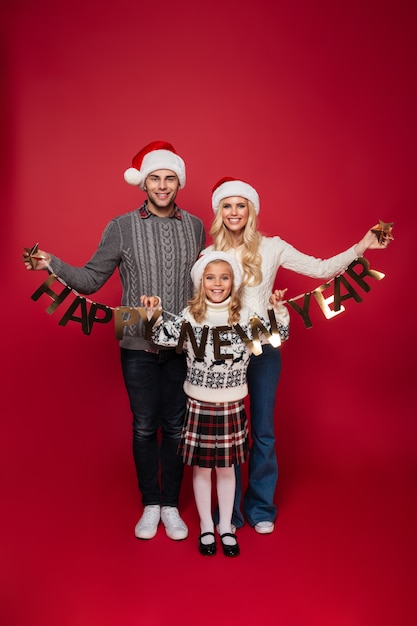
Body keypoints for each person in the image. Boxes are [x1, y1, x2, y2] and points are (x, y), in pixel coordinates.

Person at [23, 141, 206, 541]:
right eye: (154, 178)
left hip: (181, 339)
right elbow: (91, 279)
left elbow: (204, 285)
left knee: (175, 426)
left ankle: (172, 506)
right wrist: (51, 263)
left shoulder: (195, 226)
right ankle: (150, 503)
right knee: (144, 425)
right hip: (135, 336)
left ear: (179, 183)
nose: (162, 186)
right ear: (144, 183)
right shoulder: (121, 226)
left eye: (169, 178)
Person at [205, 176, 392, 534]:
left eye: (240, 205)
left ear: (251, 210)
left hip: (265, 349)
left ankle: (260, 507)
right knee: (227, 434)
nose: (234, 212)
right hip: (225, 352)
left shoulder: (273, 247)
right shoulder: (209, 255)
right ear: (218, 211)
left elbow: (321, 269)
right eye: (227, 205)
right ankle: (228, 514)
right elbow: (201, 306)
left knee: (262, 429)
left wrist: (362, 246)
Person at [141, 251, 290, 556]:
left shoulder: (246, 315)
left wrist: (279, 311)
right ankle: (207, 526)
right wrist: (152, 312)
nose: (217, 283)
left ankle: (225, 527)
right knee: (201, 469)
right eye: (210, 277)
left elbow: (278, 336)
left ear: (233, 282)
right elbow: (160, 336)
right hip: (198, 403)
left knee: (226, 469)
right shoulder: (189, 316)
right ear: (201, 282)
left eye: (224, 277)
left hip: (231, 403)